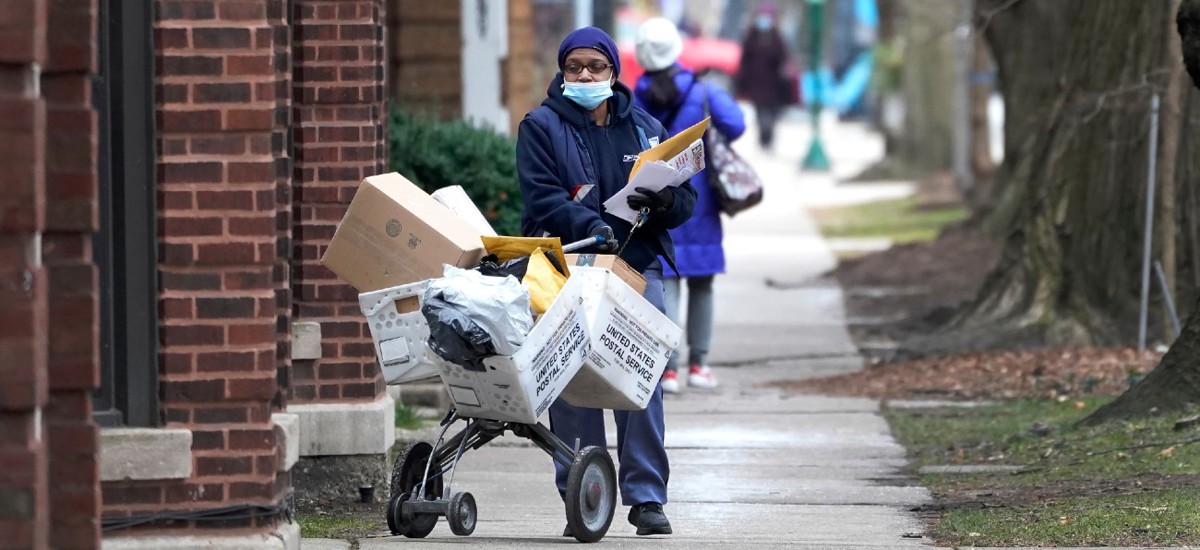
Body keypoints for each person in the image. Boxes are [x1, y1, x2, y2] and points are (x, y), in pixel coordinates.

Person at [515, 26, 697, 537]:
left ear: (614, 71)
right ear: (563, 72)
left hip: (637, 267)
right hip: (569, 266)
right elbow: (541, 197)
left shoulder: (645, 128)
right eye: (575, 67)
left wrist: (666, 203)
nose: (586, 75)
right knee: (573, 382)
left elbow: (684, 198)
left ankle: (646, 498)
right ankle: (583, 493)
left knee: (640, 378)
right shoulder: (540, 126)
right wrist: (587, 225)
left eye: (596, 66)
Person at [633, 18, 746, 394]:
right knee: (702, 284)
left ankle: (667, 370)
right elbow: (737, 124)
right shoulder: (703, 92)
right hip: (701, 203)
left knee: (666, 281)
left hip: (657, 202)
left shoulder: (634, 96)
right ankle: (700, 364)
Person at [736, 2, 791, 150]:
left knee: (771, 114)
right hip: (756, 83)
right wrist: (742, 82)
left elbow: (783, 60)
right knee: (760, 113)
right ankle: (763, 139)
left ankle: (769, 138)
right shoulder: (751, 37)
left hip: (772, 85)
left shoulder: (777, 38)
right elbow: (744, 61)